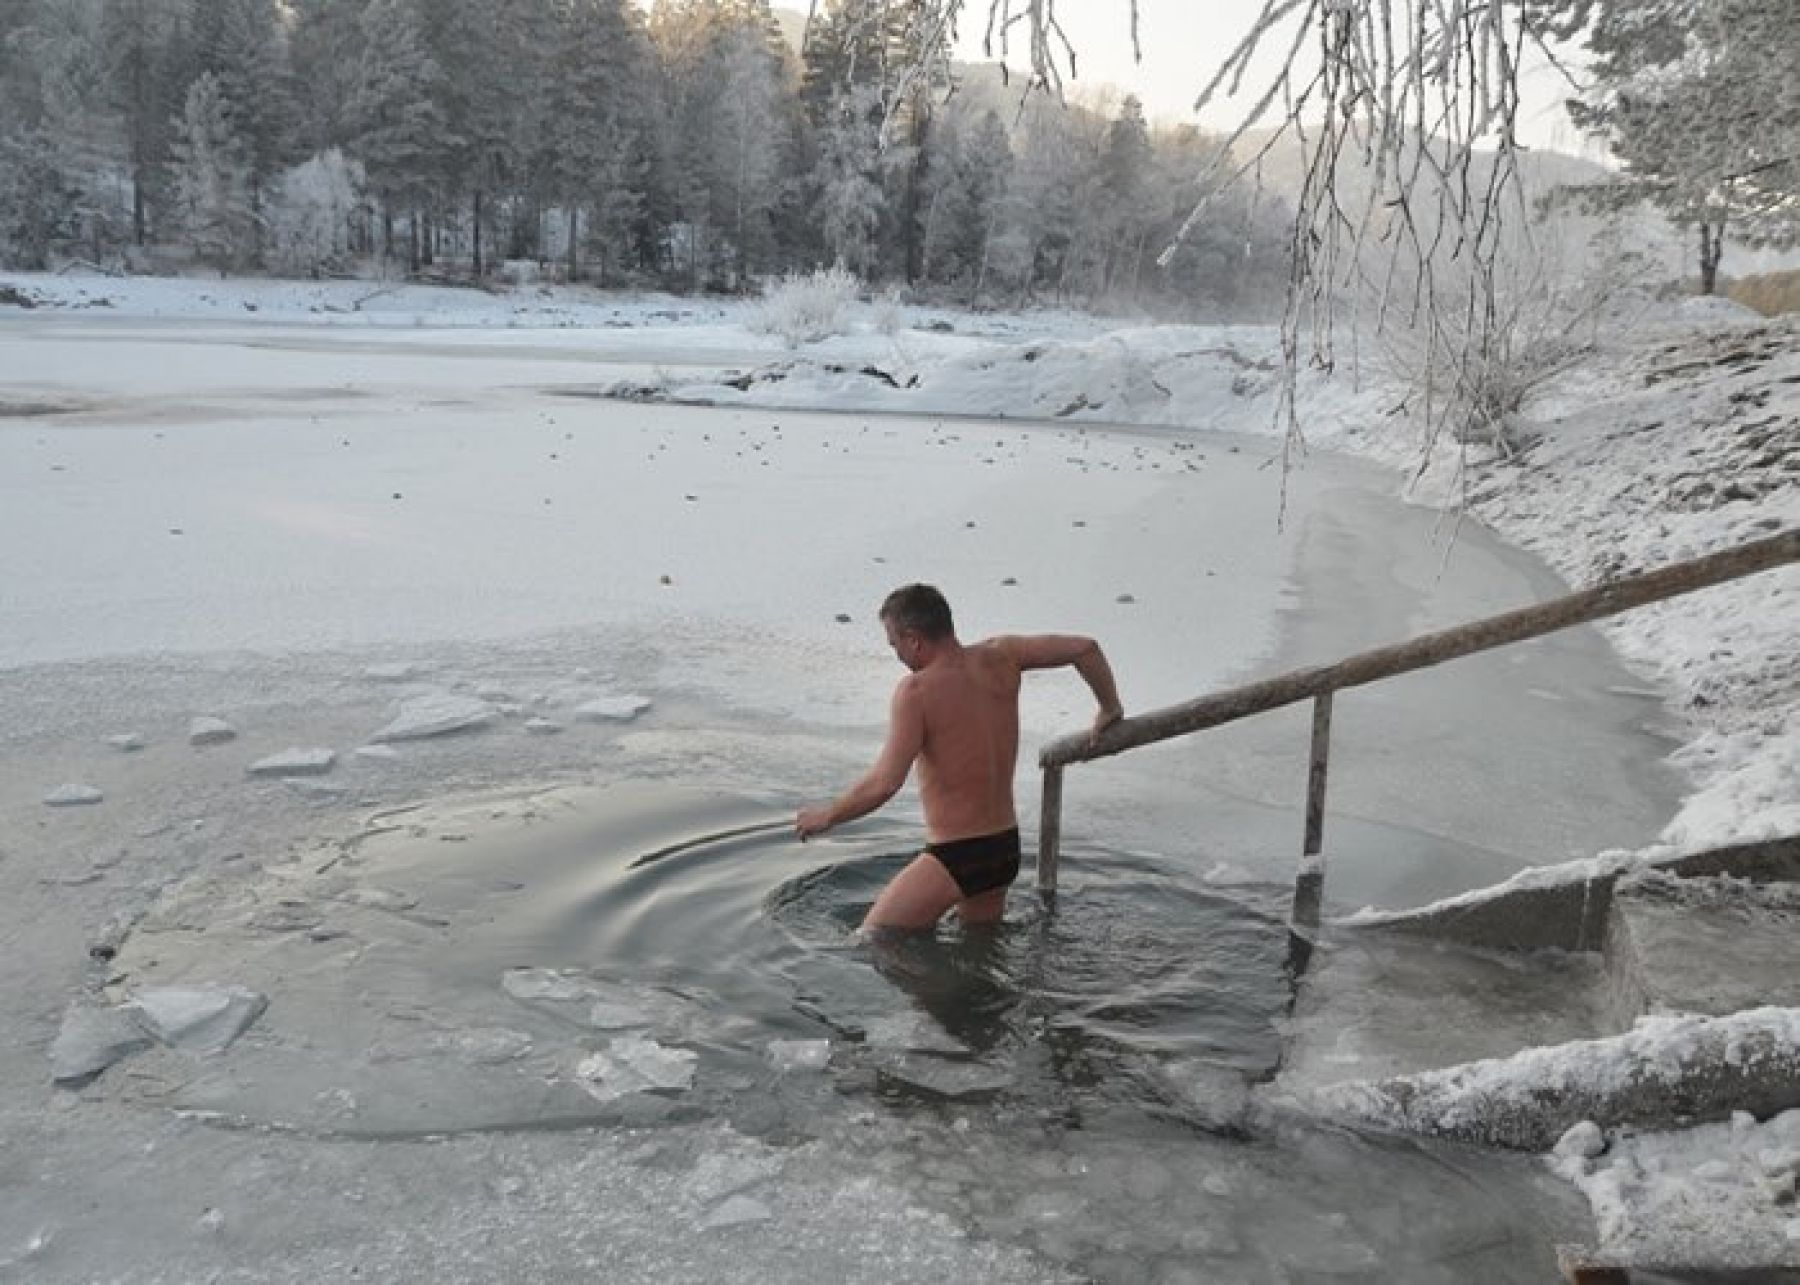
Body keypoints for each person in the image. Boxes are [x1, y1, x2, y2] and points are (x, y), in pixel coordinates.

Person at [795, 584, 1123, 933]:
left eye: (895, 645)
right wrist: (1109, 707)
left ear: (914, 640)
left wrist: (827, 816)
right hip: (1004, 849)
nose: (898, 656)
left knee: (871, 940)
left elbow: (884, 783)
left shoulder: (916, 692)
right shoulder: (1005, 654)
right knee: (979, 949)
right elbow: (1085, 649)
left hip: (956, 856)